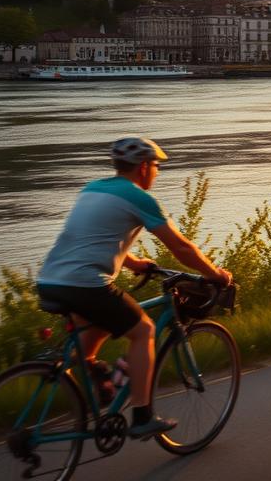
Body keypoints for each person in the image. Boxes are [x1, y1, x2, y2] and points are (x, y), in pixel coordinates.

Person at [36, 137, 232, 439]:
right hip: (85, 285)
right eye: (156, 166)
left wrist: (135, 263)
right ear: (143, 167)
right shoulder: (139, 197)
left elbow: (93, 239)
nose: (156, 172)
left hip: (50, 280)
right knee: (143, 331)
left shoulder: (93, 189)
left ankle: (94, 383)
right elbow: (181, 247)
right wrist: (215, 273)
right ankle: (142, 415)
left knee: (98, 329)